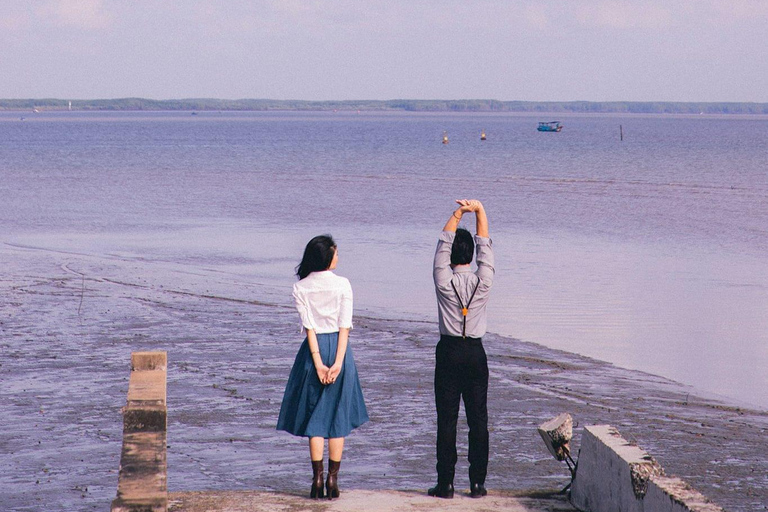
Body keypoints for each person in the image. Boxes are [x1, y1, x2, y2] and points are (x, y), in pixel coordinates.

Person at [276, 235, 369, 500]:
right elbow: (344, 326)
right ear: (327, 257)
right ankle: (333, 480)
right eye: (336, 253)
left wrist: (318, 363)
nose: (338, 257)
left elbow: (309, 328)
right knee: (337, 416)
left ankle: (316, 480)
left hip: (312, 351)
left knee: (315, 416)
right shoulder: (343, 285)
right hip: (339, 349)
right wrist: (338, 362)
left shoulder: (301, 287)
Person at [428, 199, 494, 499]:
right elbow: (486, 249)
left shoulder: (443, 281)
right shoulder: (483, 281)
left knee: (447, 419)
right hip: (475, 354)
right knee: (478, 419)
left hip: (450, 351)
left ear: (453, 253)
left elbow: (442, 247)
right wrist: (480, 211)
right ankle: (478, 483)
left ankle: (446, 483)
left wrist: (458, 214)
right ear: (470, 255)